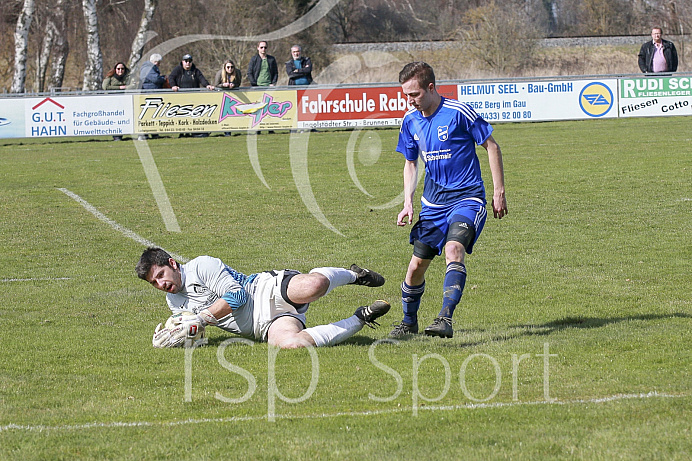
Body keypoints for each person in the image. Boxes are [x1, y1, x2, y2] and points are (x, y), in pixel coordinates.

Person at [389, 62, 508, 339]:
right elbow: (410, 163)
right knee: (416, 266)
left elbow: (492, 146)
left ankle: (445, 317)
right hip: (432, 204)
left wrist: (498, 191)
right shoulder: (410, 121)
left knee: (454, 250)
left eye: (414, 94)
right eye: (406, 95)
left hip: (467, 198)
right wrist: (408, 202)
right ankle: (408, 322)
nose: (410, 100)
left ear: (431, 88)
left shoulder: (458, 113)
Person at [136, 247, 390, 349]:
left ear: (172, 263)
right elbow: (193, 332)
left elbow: (238, 296)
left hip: (264, 291)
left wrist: (202, 318)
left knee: (315, 285)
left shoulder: (201, 266)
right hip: (265, 328)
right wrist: (173, 338)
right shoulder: (174, 303)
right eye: (154, 283)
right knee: (294, 344)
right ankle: (361, 318)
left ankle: (354, 275)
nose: (161, 284)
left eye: (160, 275)